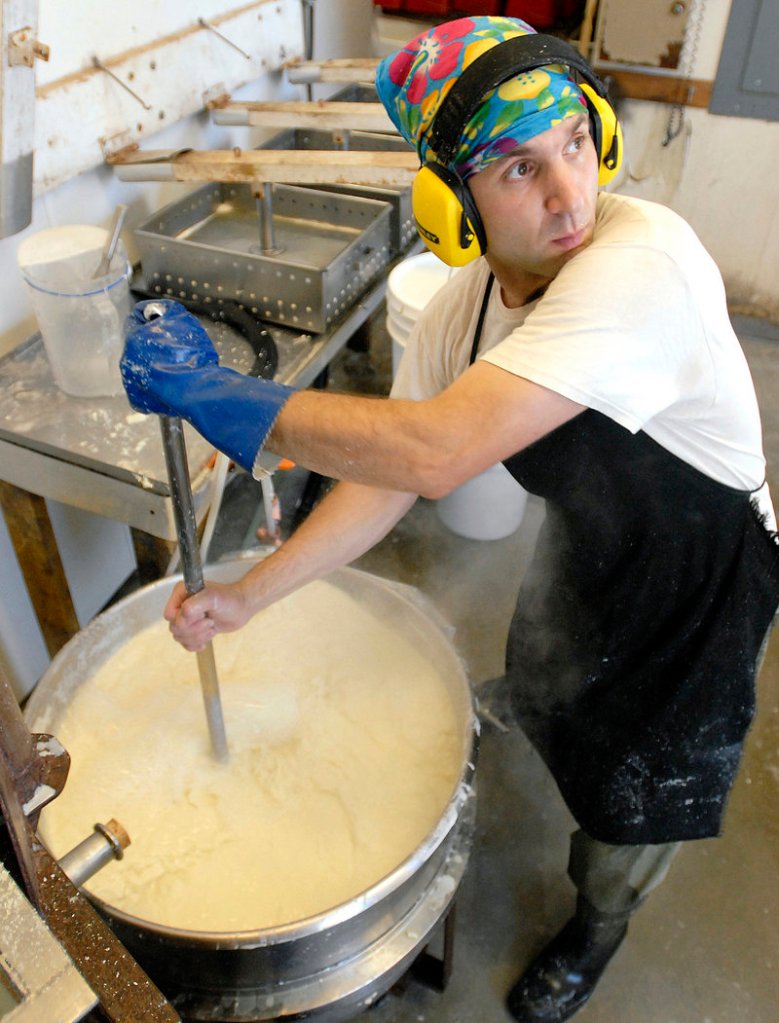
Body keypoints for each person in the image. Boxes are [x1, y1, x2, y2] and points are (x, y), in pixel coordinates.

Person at [120, 15, 779, 1023]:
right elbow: (389, 481)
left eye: (573, 145)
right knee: (553, 663)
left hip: (703, 579)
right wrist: (249, 598)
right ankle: (540, 704)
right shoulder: (461, 311)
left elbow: (433, 449)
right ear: (455, 196)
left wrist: (223, 399)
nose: (570, 195)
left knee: (633, 788)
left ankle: (595, 930)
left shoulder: (643, 262)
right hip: (599, 540)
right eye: (517, 167)